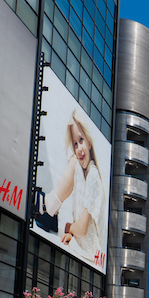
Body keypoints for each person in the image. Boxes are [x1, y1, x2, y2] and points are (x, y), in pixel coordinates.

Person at [37, 108, 106, 269]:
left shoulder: (93, 175)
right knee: (74, 161)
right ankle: (50, 207)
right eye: (75, 143)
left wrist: (68, 227)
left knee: (74, 162)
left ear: (89, 142)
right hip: (85, 249)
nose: (78, 148)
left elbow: (82, 229)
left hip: (88, 252)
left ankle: (49, 207)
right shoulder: (89, 172)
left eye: (81, 140)